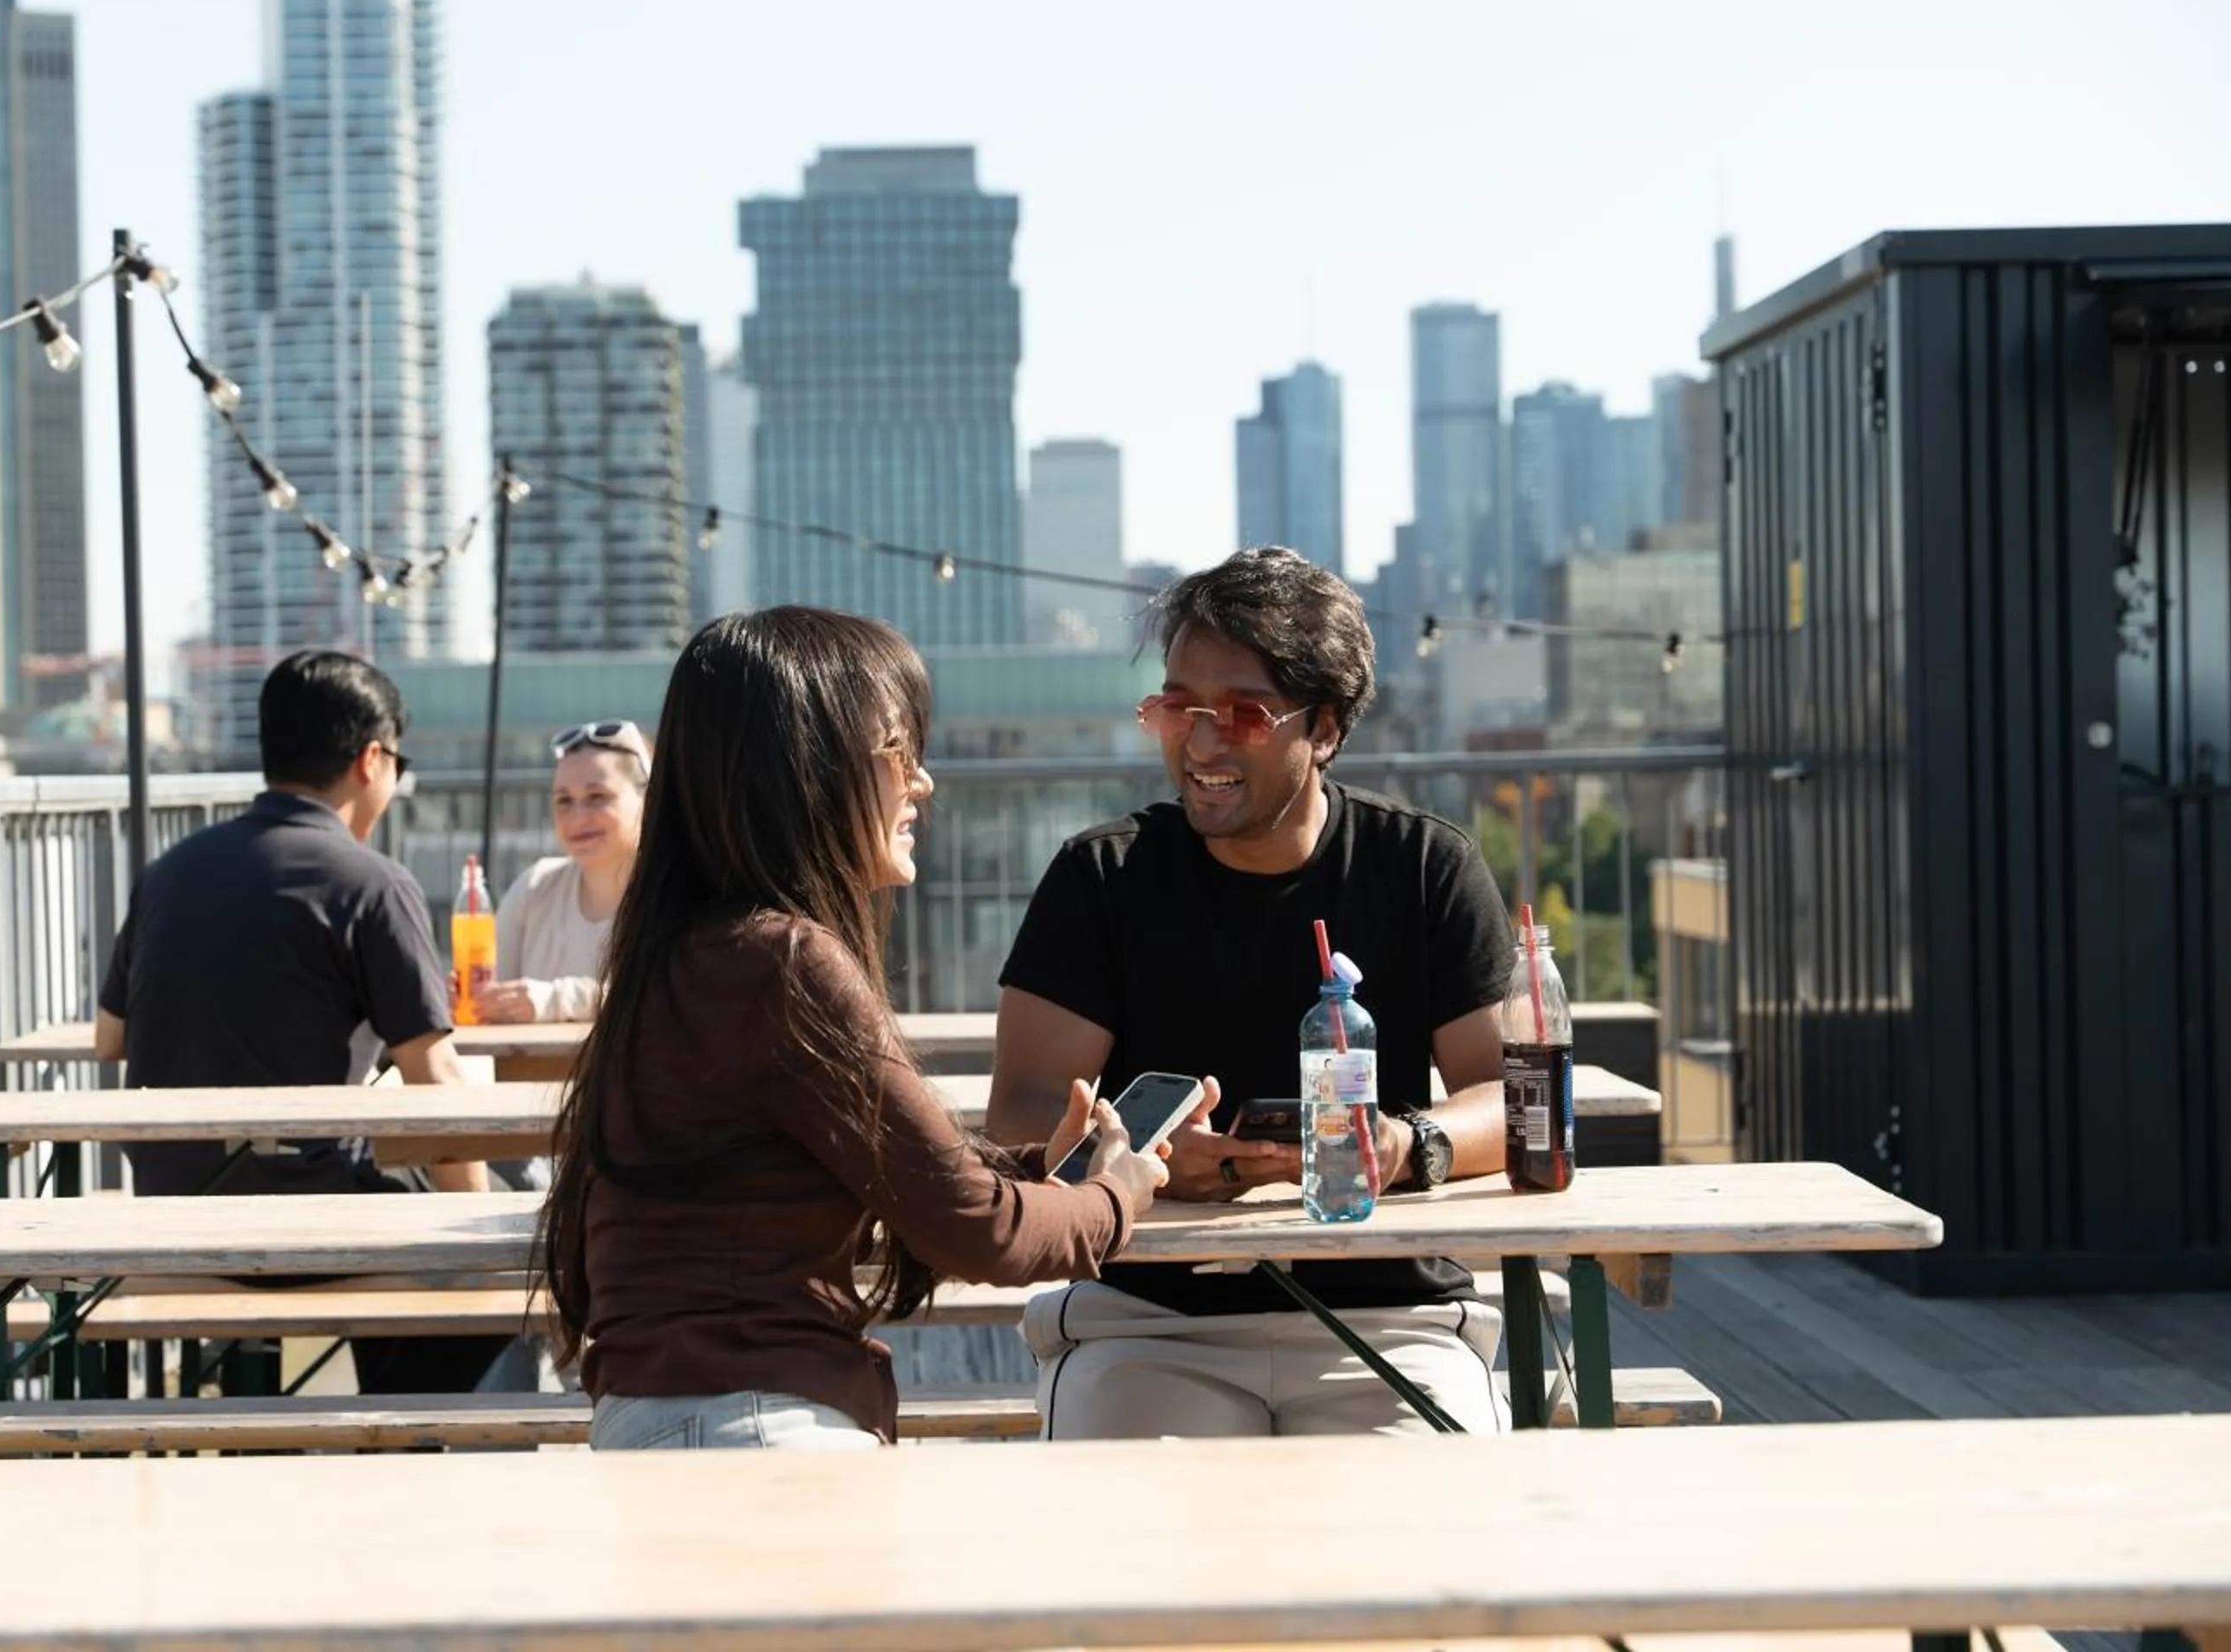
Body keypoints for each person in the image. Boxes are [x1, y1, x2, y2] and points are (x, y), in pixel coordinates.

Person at [539, 607, 1168, 1451]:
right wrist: (1116, 1196)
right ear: (805, 770)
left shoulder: (688, 951)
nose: (924, 782)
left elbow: (876, 1168)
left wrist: (1035, 1166)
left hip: (672, 1421)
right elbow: (980, 1230)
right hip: (753, 1431)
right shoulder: (784, 961)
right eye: (899, 752)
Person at [987, 546, 1520, 1439]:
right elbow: (1020, 1114)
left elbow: (1511, 1096)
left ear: (1328, 726)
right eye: (1177, 707)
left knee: (1434, 1542)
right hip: (1148, 1317)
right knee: (1133, 1543)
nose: (1199, 745)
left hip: (1388, 1312)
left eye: (1241, 714)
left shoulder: (1424, 865)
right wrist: (1145, 1162)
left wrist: (1403, 1145)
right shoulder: (1101, 877)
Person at [95, 650, 505, 1397]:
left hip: (172, 1211)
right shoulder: (371, 884)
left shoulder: (171, 871)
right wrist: (482, 1223)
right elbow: (435, 1084)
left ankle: (292, 1440)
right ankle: (391, 1448)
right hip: (304, 1219)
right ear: (371, 759)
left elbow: (109, 1039)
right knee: (507, 1279)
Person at [470, 720, 651, 1025]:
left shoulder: (676, 893)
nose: (578, 818)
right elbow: (488, 996)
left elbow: (672, 998)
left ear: (649, 800)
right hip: (529, 1074)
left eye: (597, 798)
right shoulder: (534, 887)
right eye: (563, 801)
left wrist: (554, 1001)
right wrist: (471, 998)